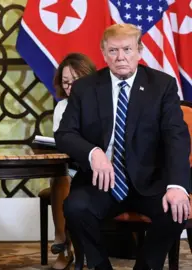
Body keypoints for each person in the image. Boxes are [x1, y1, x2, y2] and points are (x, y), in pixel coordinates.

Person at [55, 23, 191, 270]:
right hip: (101, 182)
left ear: (139, 51)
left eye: (127, 50)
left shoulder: (162, 86)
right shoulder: (85, 88)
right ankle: (100, 267)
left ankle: (146, 267)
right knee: (75, 208)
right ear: (104, 53)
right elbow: (65, 133)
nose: (120, 58)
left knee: (175, 210)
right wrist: (93, 152)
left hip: (150, 182)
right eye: (113, 51)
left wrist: (177, 185)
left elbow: (176, 137)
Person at [50, 53, 97, 270]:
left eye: (75, 82)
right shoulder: (62, 107)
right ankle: (63, 243)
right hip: (73, 167)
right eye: (65, 83)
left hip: (100, 167)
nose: (70, 88)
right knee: (59, 176)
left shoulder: (103, 102)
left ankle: (78, 248)